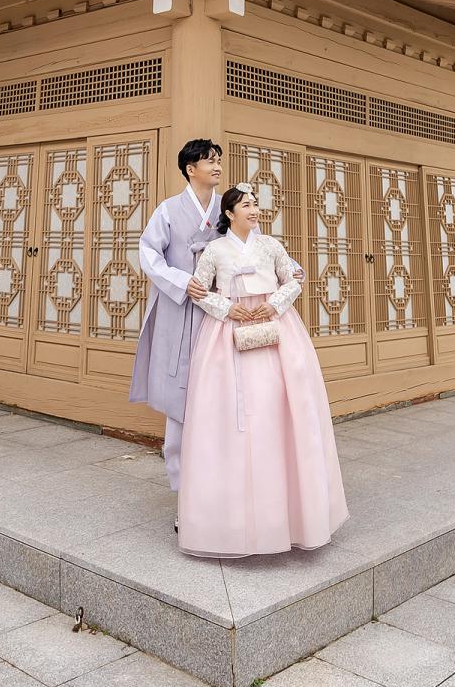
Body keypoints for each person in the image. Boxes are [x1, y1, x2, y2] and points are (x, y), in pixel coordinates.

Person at [175, 183, 348, 559]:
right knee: (231, 421)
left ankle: (291, 518)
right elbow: (198, 290)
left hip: (276, 330)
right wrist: (228, 308)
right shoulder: (214, 251)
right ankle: (229, 523)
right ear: (229, 214)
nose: (254, 210)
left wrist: (274, 303)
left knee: (279, 413)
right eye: (245, 205)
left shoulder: (270, 245)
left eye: (255, 204)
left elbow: (295, 279)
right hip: (228, 335)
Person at [129, 138, 224, 492]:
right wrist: (183, 282)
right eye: (209, 161)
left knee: (220, 389)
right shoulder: (168, 209)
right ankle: (184, 489)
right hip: (181, 308)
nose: (217, 166)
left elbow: (254, 245)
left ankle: (220, 483)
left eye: (218, 160)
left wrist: (286, 267)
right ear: (190, 169)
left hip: (217, 309)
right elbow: (149, 254)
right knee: (180, 392)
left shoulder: (227, 207)